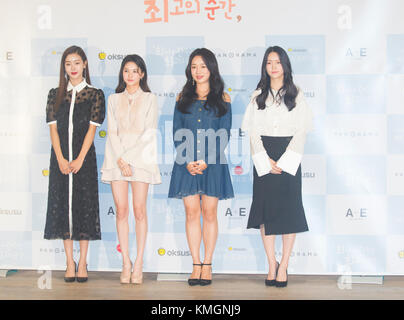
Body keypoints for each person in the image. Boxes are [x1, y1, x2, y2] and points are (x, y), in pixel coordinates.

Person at [241, 46, 313, 288]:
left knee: (288, 213)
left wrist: (285, 161)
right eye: (269, 62)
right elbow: (252, 131)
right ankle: (271, 263)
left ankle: (284, 265)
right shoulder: (257, 95)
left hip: (289, 157)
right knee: (266, 213)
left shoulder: (297, 94)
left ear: (285, 65)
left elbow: (302, 131)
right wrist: (263, 160)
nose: (273, 66)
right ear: (265, 66)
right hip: (264, 155)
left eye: (277, 62)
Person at [168, 48, 234, 286]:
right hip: (185, 164)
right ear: (189, 70)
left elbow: (224, 133)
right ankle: (195, 264)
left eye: (203, 66)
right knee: (191, 213)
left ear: (212, 69)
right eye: (194, 66)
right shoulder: (181, 98)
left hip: (213, 164)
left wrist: (207, 159)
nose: (198, 71)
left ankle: (207, 264)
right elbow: (177, 131)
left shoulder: (223, 98)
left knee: (209, 213)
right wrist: (187, 160)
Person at [44, 45, 105, 283]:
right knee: (63, 208)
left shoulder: (94, 94)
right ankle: (69, 262)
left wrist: (79, 158)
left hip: (84, 159)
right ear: (64, 67)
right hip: (59, 159)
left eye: (77, 63)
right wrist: (60, 158)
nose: (73, 68)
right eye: (68, 64)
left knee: (84, 206)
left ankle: (83, 263)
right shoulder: (54, 94)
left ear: (85, 64)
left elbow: (92, 129)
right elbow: (53, 130)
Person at [101, 54, 161, 284]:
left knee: (139, 211)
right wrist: (121, 160)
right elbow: (112, 132)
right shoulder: (113, 99)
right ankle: (125, 262)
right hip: (116, 161)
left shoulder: (150, 98)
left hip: (141, 161)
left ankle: (139, 263)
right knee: (122, 210)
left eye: (135, 71)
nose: (130, 75)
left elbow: (149, 132)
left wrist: (130, 160)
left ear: (142, 74)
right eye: (126, 70)